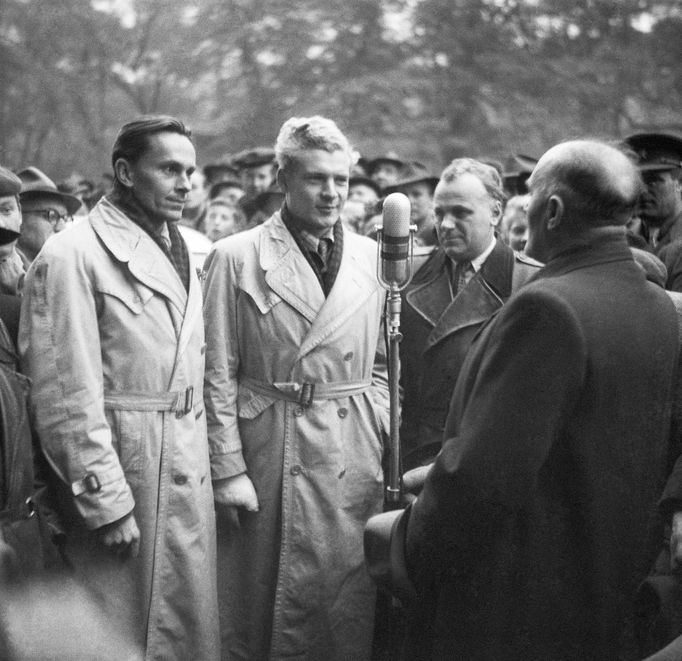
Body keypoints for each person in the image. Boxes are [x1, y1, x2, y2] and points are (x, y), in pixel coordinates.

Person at [366, 139, 682, 660]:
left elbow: (484, 476)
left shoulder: (545, 306)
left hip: (520, 596)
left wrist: (408, 544)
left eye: (532, 197)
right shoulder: (656, 304)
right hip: (611, 584)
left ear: (552, 211)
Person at [19, 115, 220, 660]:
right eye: (169, 169)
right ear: (126, 172)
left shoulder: (181, 248)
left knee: (180, 633)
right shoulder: (72, 255)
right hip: (127, 479)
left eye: (190, 171)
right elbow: (63, 392)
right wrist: (104, 500)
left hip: (182, 475)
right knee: (119, 636)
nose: (185, 184)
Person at [203, 115, 390, 660]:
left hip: (349, 450)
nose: (331, 193)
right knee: (262, 608)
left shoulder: (372, 257)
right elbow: (217, 370)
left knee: (342, 603)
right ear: (283, 179)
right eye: (316, 179)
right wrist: (228, 468)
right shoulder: (236, 255)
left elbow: (382, 364)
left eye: (342, 179)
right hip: (270, 451)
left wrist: (375, 423)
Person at [399, 158, 541, 472]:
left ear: (495, 213)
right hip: (410, 454)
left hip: (486, 461)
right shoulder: (406, 272)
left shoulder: (530, 282)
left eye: (461, 212)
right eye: (439, 213)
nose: (446, 225)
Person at [624, 132, 682, 290]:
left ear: (679, 183)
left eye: (653, 181)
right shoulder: (622, 236)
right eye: (638, 181)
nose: (642, 190)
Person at [16, 166, 80, 268]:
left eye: (65, 218)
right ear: (19, 218)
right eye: (52, 215)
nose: (62, 228)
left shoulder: (60, 270)